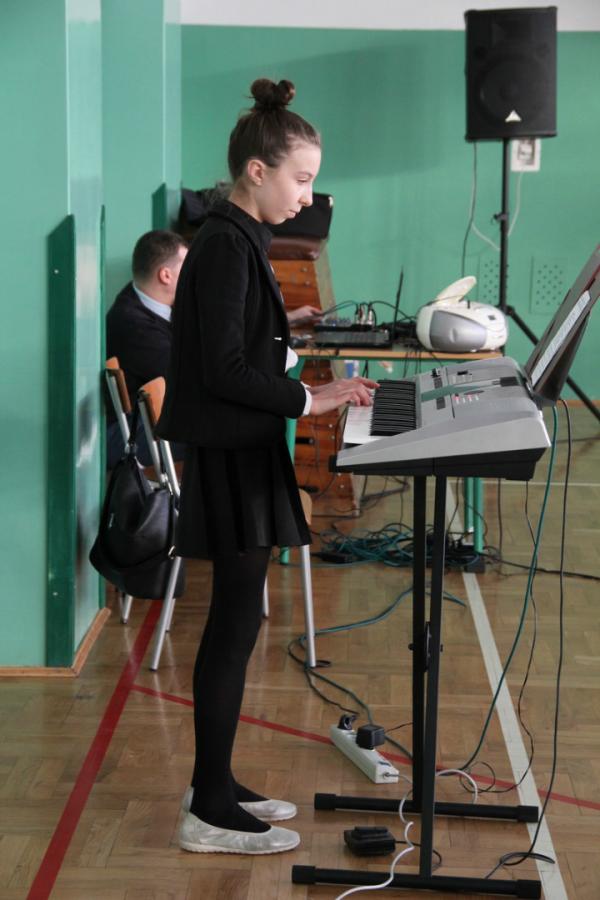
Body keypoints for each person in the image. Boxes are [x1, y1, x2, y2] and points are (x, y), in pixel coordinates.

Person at [157, 78, 377, 856]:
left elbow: (238, 341)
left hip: (243, 448)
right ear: (257, 171)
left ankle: (213, 784)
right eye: (301, 178)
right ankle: (208, 811)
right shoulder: (225, 244)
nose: (308, 196)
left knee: (241, 620)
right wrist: (312, 397)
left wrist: (284, 333)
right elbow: (221, 370)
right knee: (232, 624)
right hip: (231, 455)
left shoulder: (237, 235)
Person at [105, 230, 188, 467]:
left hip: (148, 419)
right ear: (165, 275)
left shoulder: (143, 299)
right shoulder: (132, 324)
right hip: (125, 433)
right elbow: (187, 379)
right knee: (226, 429)